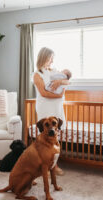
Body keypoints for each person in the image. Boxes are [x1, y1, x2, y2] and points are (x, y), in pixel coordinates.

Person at [33, 47, 70, 175]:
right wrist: (59, 96)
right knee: (45, 138)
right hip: (45, 107)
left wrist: (60, 81)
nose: (52, 61)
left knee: (55, 138)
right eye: (50, 58)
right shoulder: (37, 74)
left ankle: (54, 166)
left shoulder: (54, 71)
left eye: (53, 58)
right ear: (44, 57)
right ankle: (44, 166)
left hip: (56, 107)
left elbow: (67, 81)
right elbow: (43, 93)